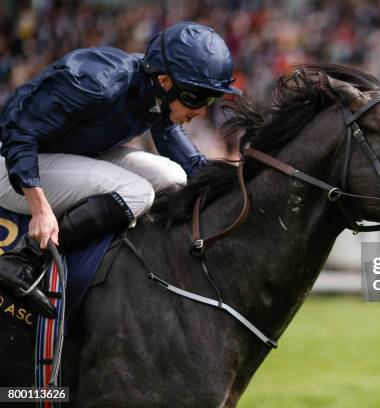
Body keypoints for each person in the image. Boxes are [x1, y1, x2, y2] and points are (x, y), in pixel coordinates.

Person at [0, 21, 240, 318]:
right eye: (198, 98)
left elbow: (180, 151)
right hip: (11, 164)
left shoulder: (153, 91)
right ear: (165, 81)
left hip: (59, 158)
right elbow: (17, 131)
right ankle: (25, 258)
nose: (203, 111)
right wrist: (39, 209)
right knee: (136, 192)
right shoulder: (98, 83)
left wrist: (230, 182)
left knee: (173, 177)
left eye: (211, 100)